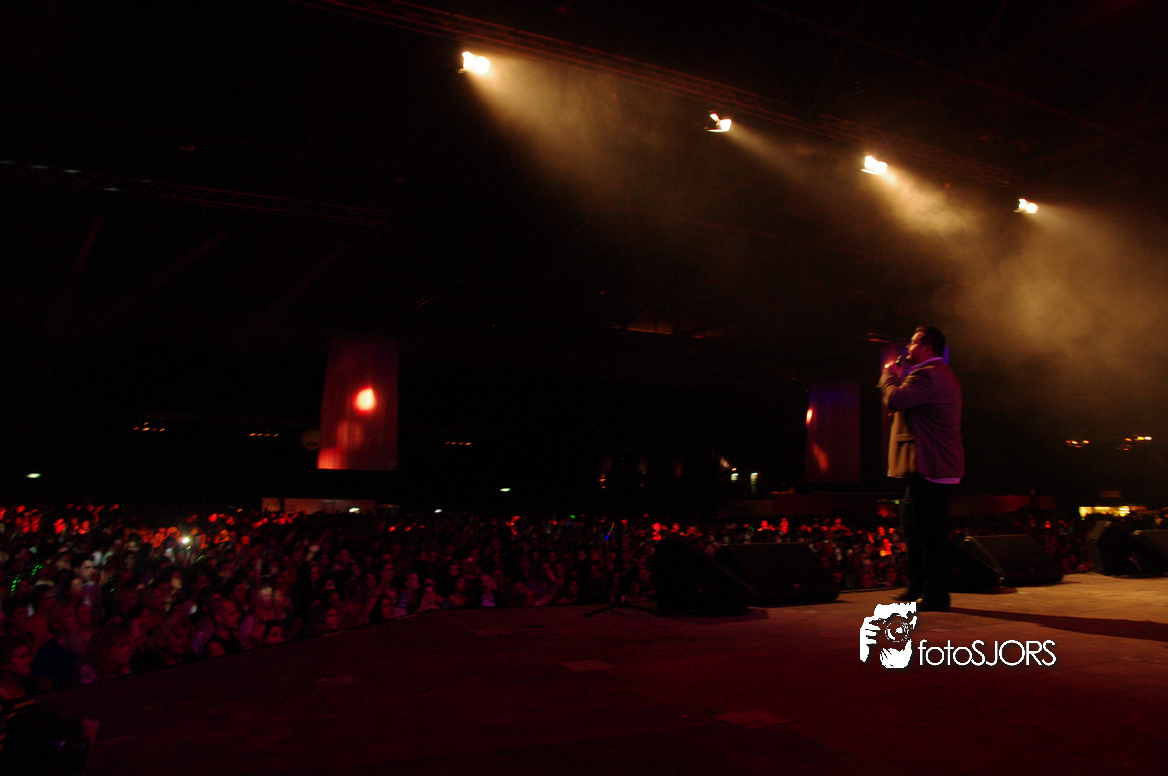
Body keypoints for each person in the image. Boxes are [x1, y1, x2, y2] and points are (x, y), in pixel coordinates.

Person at [879, 326, 964, 612]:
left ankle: (936, 594)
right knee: (912, 527)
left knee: (930, 534)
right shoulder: (937, 374)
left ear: (927, 348)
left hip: (932, 467)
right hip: (931, 466)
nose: (908, 348)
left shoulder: (927, 375)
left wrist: (889, 376)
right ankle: (917, 584)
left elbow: (895, 399)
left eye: (913, 343)